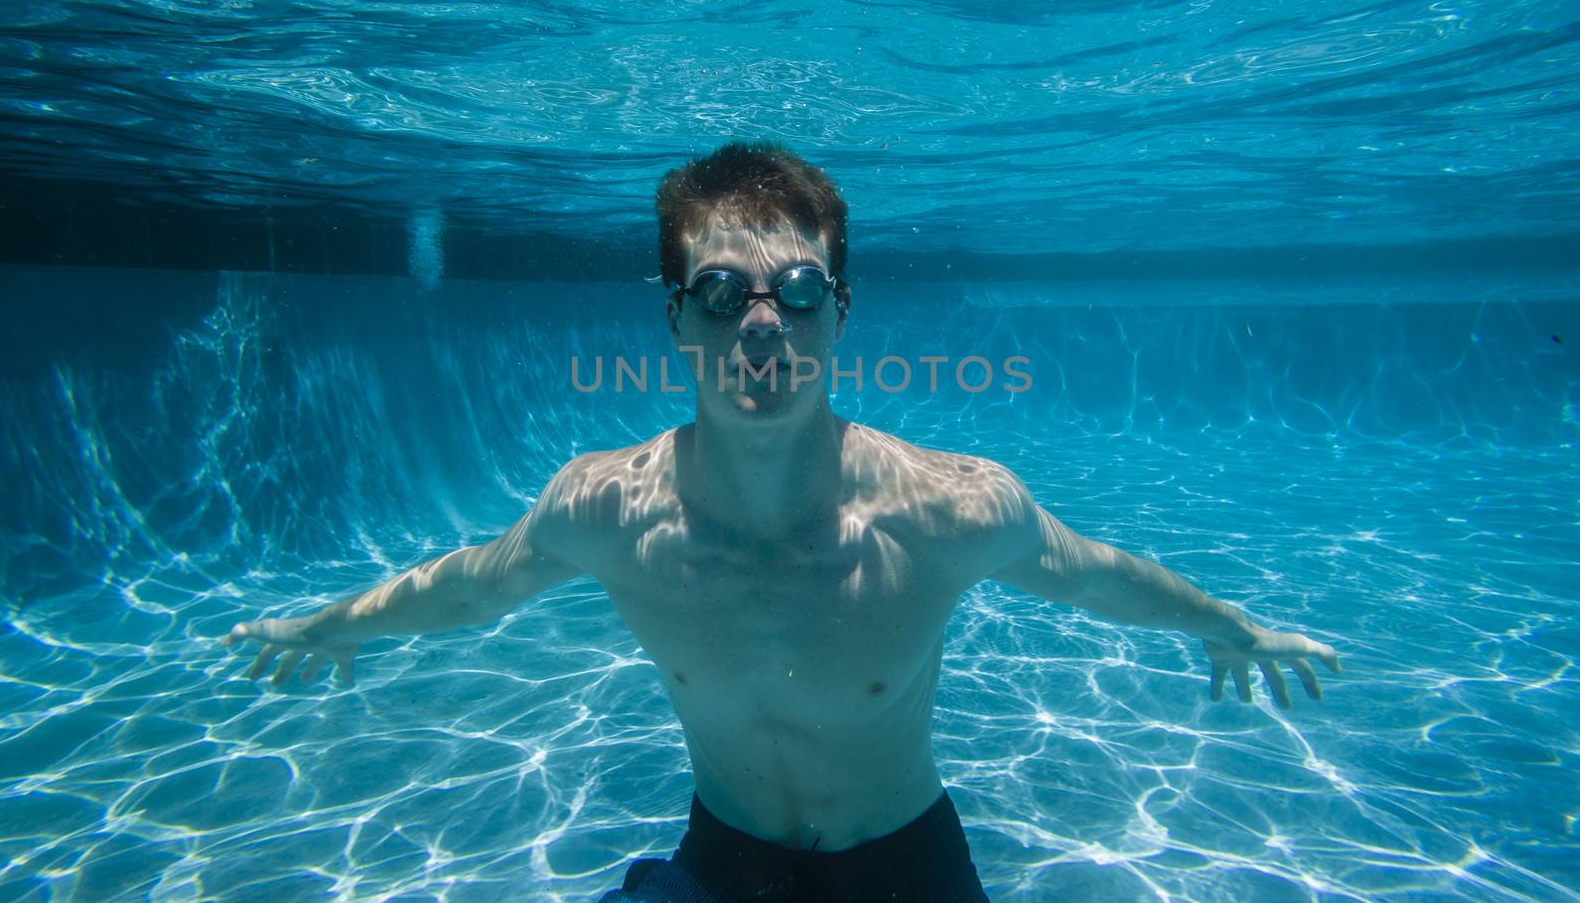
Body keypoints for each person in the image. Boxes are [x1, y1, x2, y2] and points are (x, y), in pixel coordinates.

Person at [224, 141, 1342, 903]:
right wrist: (334, 624)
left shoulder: (945, 510)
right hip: (724, 861)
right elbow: (472, 584)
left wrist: (1227, 626)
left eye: (796, 290)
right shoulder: (607, 508)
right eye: (721, 292)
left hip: (906, 865)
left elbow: (1096, 574)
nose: (762, 326)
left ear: (839, 312)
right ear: (675, 319)